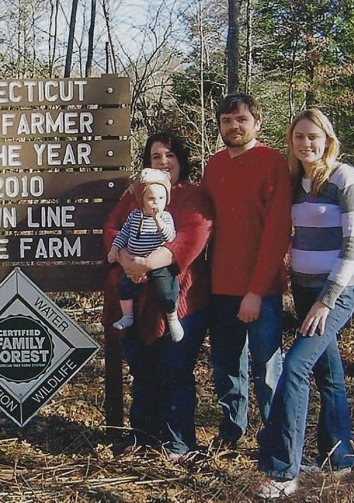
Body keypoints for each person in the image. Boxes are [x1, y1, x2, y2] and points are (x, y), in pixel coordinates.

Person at [257, 109, 354, 498]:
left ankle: (285, 470)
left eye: (313, 136)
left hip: (335, 292)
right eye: (299, 137)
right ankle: (340, 459)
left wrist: (326, 301)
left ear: (327, 139)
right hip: (303, 290)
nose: (306, 143)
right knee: (328, 372)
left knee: (296, 366)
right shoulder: (295, 180)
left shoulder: (344, 177)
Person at [102, 132, 213, 463]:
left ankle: (179, 445)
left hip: (181, 301)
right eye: (156, 156)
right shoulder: (136, 194)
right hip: (134, 301)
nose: (163, 162)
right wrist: (124, 259)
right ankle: (143, 440)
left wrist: (145, 264)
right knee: (143, 371)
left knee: (174, 371)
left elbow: (190, 240)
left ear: (181, 160)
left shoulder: (193, 197)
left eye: (170, 155)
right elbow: (112, 228)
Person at [201, 93, 292, 448]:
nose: (234, 126)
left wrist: (255, 290)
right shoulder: (214, 164)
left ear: (256, 123)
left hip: (262, 289)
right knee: (226, 367)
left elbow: (277, 233)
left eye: (241, 119)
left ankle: (275, 441)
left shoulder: (272, 163)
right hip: (220, 285)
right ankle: (231, 433)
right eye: (227, 120)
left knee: (267, 370)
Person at [107, 168, 184, 341]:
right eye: (150, 198)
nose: (156, 202)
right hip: (133, 261)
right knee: (124, 286)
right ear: (141, 200)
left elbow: (170, 237)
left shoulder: (166, 217)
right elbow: (123, 234)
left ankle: (172, 318)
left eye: (161, 198)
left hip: (158, 263)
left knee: (165, 291)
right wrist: (115, 249)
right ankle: (127, 316)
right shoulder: (135, 216)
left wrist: (157, 220)